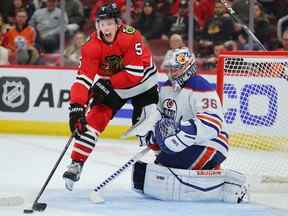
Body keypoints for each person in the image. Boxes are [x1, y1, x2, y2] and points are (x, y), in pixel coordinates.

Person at [129, 48, 248, 203]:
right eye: (170, 68)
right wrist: (149, 133)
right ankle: (205, 172)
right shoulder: (166, 88)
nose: (172, 72)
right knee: (160, 167)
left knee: (168, 167)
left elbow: (212, 123)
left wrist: (181, 131)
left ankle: (216, 173)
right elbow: (158, 117)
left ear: (188, 68)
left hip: (210, 143)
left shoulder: (200, 85)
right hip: (186, 144)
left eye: (176, 69)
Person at [62, 3, 159, 191]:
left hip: (143, 84)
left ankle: (166, 160)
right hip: (115, 83)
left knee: (147, 128)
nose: (105, 28)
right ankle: (76, 163)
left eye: (109, 24)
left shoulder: (131, 36)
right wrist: (76, 107)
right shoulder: (91, 46)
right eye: (101, 24)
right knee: (90, 122)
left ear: (117, 24)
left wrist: (107, 84)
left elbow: (134, 73)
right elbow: (82, 80)